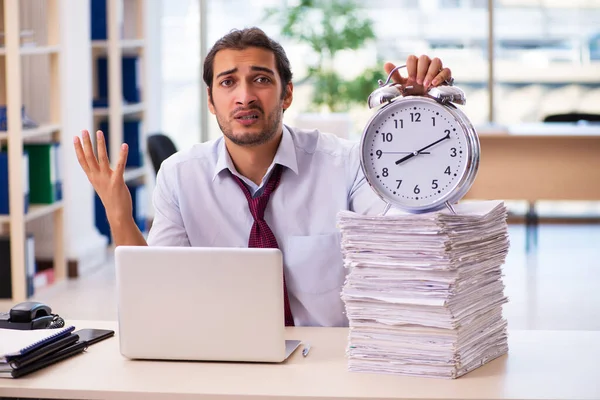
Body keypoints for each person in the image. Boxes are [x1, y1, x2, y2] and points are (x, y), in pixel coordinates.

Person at [74, 27, 453, 327]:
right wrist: (119, 215)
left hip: (328, 364)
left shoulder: (345, 163)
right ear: (211, 102)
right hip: (222, 361)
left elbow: (414, 238)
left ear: (287, 94)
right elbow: (155, 295)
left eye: (260, 80)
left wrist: (416, 119)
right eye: (227, 83)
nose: (244, 97)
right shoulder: (179, 176)